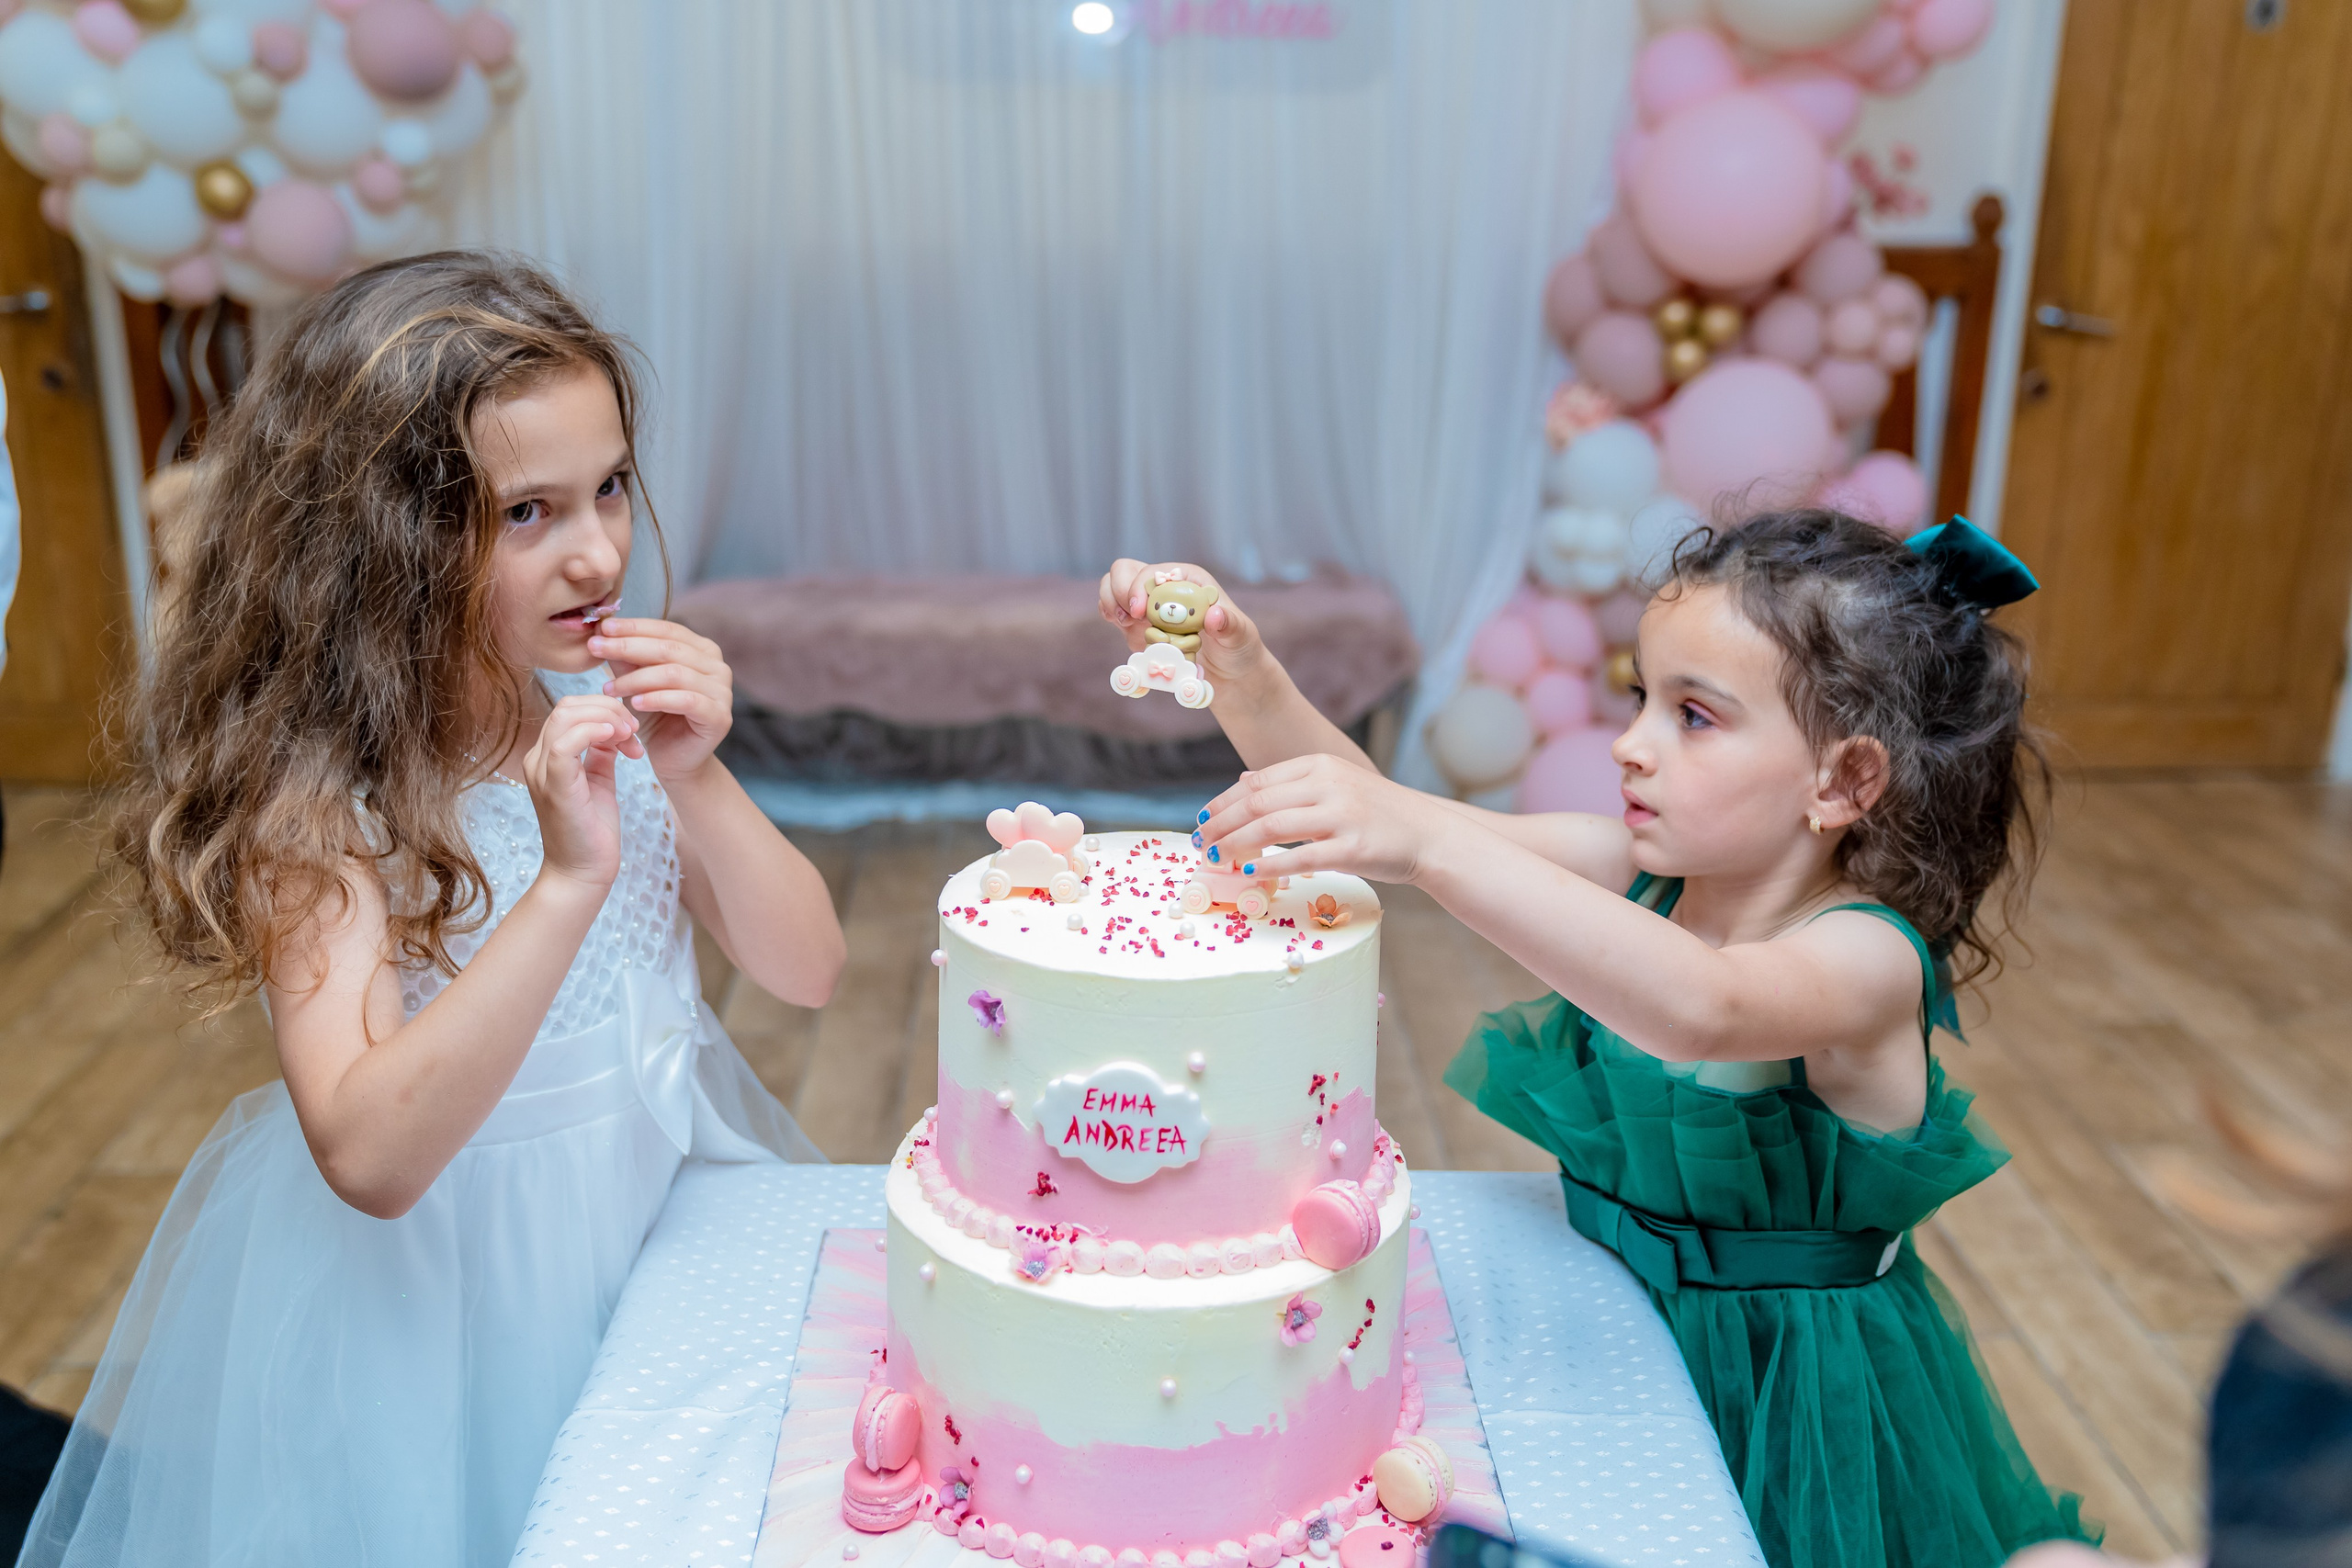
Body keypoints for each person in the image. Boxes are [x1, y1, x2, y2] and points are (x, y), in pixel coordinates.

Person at [19, 253, 845, 1568]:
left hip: (653, 1244)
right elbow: (371, 1153)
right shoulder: (322, 797)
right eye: (529, 512)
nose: (599, 549)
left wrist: (694, 774)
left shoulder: (607, 717)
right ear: (384, 536)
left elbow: (806, 968)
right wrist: (569, 886)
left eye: (612, 487)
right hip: (446, 1322)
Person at [1103, 511, 2098, 1567]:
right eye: (1641, 698)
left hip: (1784, 1395)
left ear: (1843, 782)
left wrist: (1432, 840)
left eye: (1694, 716)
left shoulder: (1865, 960)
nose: (1631, 743)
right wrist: (1244, 678)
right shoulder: (1643, 874)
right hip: (1604, 1329)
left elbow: (1702, 1004)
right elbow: (1381, 812)